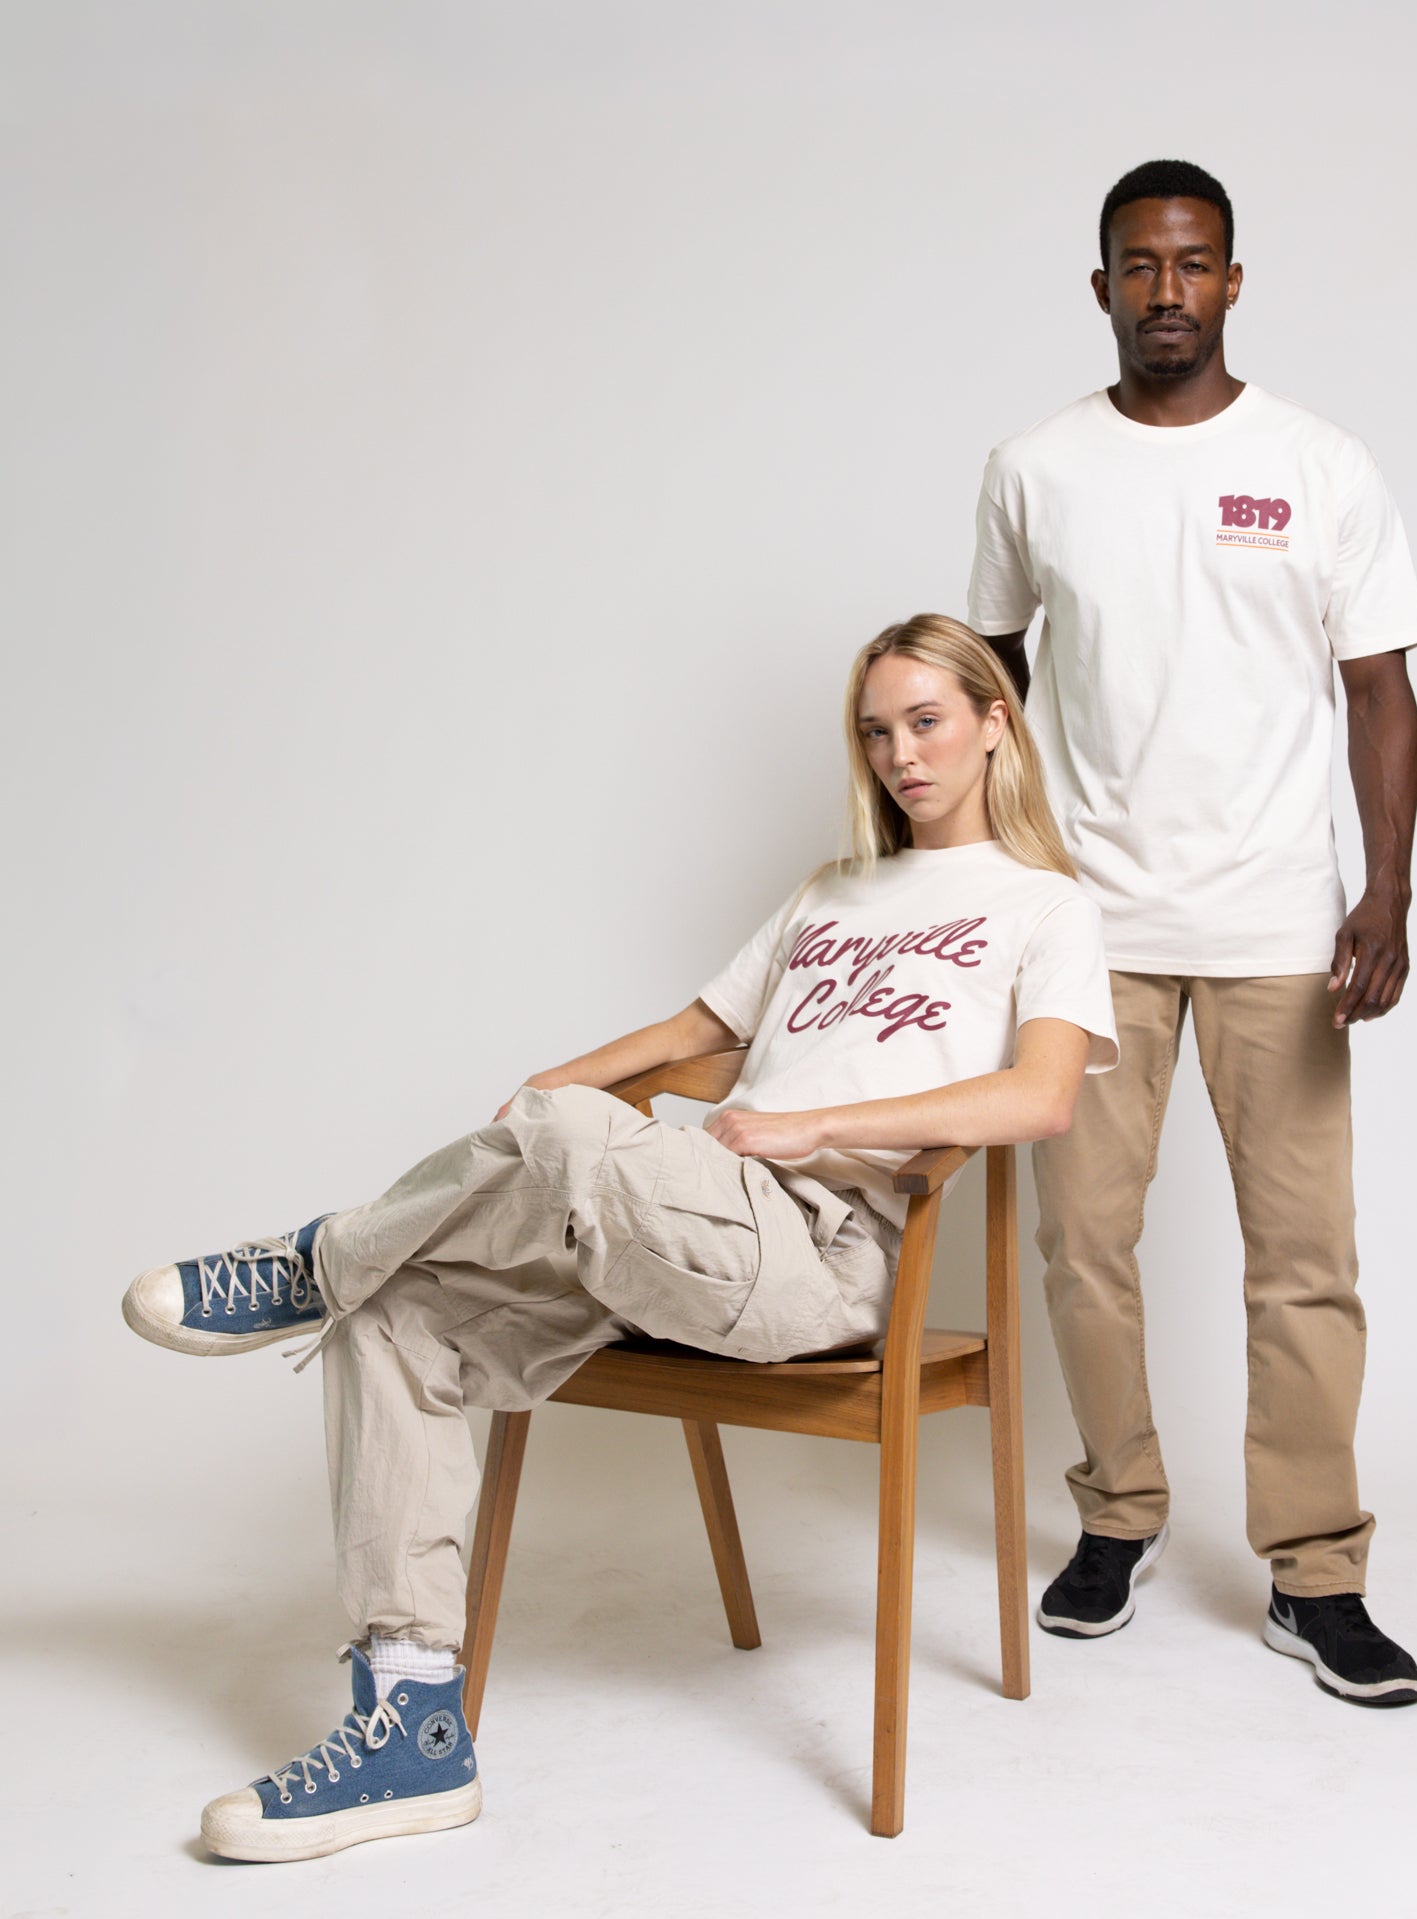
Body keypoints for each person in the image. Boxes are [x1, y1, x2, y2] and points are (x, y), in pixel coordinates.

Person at [122, 614, 1118, 1860]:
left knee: (551, 1148)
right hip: (695, 1211)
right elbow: (691, 1027)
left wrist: (817, 1127)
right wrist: (550, 1091)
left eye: (925, 721)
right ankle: (412, 1730)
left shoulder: (1045, 906)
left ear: (993, 722)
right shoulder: (832, 890)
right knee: (397, 1323)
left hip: (820, 1260)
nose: (900, 754)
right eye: (876, 730)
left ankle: (315, 1257)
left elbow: (1040, 1096)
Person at [966, 158, 1417, 1706]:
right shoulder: (1033, 468)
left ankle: (1317, 1569)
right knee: (1083, 1245)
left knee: (1304, 1261)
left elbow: (1379, 687)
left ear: (1236, 281)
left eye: (1196, 264)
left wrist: (1387, 891)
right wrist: (989, 894)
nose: (1168, 290)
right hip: (1091, 929)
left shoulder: (1318, 463)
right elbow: (992, 688)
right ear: (1099, 286)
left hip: (1282, 930)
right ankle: (1117, 1514)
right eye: (1139, 266)